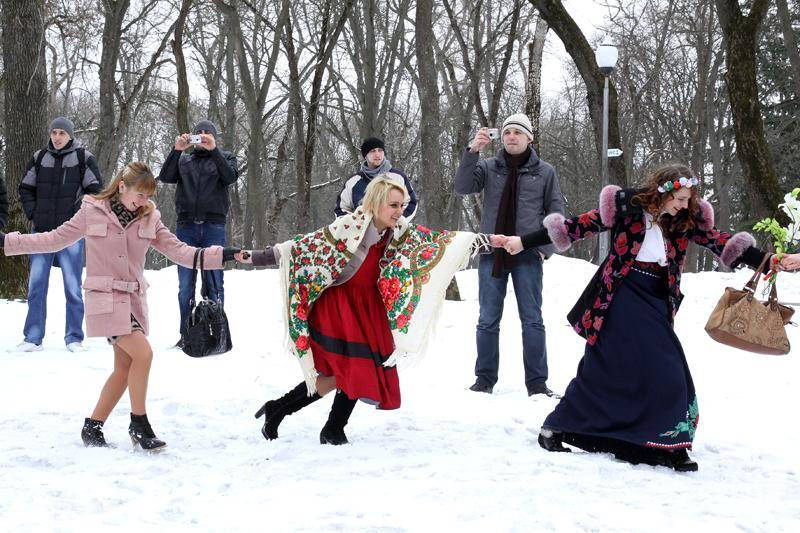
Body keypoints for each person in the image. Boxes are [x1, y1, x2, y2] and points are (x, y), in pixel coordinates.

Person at [493, 163, 797, 471]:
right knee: (665, 365)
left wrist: (769, 260)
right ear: (663, 192)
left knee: (610, 368)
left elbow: (720, 241)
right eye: (680, 198)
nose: (684, 205)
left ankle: (573, 429)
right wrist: (522, 242)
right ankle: (671, 444)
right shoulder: (626, 208)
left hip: (657, 297)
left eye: (688, 199)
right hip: (620, 294)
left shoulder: (685, 219)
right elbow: (575, 227)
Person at [1, 162, 239, 451]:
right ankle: (139, 424)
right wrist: (8, 242)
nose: (144, 201)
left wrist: (221, 255)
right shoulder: (91, 211)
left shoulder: (150, 218)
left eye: (148, 196)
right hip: (104, 298)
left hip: (134, 301)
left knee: (124, 369)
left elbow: (181, 251)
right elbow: (54, 239)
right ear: (122, 186)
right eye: (140, 194)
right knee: (144, 354)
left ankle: (93, 426)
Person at [238, 176, 481, 445]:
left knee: (343, 373)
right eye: (393, 205)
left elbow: (439, 242)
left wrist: (488, 240)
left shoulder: (400, 232)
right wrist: (252, 256)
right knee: (350, 369)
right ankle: (329, 427)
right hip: (338, 306)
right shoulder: (348, 226)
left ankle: (283, 410)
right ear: (375, 203)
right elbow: (304, 248)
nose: (399, 211)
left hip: (367, 307)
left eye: (402, 205)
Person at [454, 113, 565, 397]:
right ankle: (484, 380)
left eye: (517, 132)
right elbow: (462, 187)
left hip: (527, 254)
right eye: (507, 132)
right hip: (493, 252)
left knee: (532, 319)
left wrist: (542, 250)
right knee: (487, 319)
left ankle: (537, 384)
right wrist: (472, 152)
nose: (511, 137)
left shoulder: (545, 172)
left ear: (529, 137)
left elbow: (556, 215)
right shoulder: (489, 166)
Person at [14, 117, 103, 352]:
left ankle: (74, 338)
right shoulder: (39, 157)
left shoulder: (84, 158)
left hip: (71, 233)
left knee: (73, 288)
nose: (57, 137)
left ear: (70, 135)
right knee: (36, 287)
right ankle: (33, 338)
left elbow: (95, 191)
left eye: (62, 133)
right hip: (41, 233)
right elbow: (25, 188)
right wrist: (33, 213)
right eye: (54, 132)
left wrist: (78, 216)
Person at [158, 119, 238, 348]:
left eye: (207, 133)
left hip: (214, 226)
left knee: (215, 283)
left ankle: (217, 335)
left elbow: (230, 177)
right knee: (185, 285)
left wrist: (214, 151)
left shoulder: (225, 157)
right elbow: (165, 177)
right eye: (198, 133)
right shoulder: (184, 160)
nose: (202, 136)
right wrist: (177, 150)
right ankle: (186, 335)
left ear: (214, 137)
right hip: (187, 227)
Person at [335, 136, 417, 220]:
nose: (377, 154)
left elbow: (411, 203)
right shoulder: (353, 181)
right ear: (365, 156)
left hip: (394, 227)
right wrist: (357, 223)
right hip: (362, 228)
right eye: (372, 151)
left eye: (380, 150)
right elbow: (341, 209)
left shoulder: (397, 177)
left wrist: (396, 221)